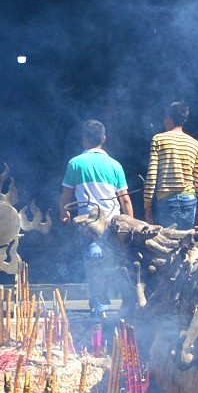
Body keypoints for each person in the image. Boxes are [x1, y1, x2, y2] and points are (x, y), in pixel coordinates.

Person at [60, 119, 133, 314]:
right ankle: (116, 305)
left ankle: (100, 306)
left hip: (89, 226)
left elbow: (66, 196)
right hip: (113, 225)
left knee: (93, 263)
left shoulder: (75, 164)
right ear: (104, 139)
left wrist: (64, 212)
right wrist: (130, 223)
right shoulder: (115, 165)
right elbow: (125, 200)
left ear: (84, 140)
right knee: (115, 263)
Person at [144, 101, 198, 229]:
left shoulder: (158, 139)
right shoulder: (196, 144)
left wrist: (147, 205)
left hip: (167, 200)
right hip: (189, 199)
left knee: (169, 243)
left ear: (168, 118)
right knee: (185, 243)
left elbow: (152, 175)